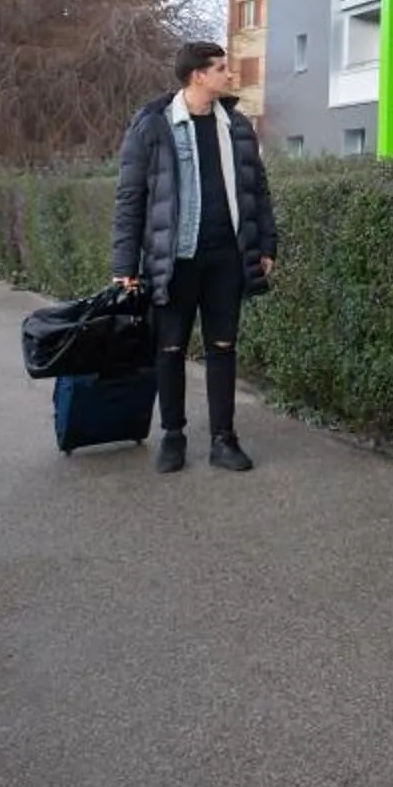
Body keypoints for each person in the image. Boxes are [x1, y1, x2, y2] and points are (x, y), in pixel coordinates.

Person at [113, 41, 279, 473]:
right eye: (221, 68)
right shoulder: (153, 126)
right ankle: (173, 436)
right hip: (175, 260)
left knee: (223, 347)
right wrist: (124, 268)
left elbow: (257, 192)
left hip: (226, 258)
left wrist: (267, 246)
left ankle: (224, 440)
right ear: (198, 76)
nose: (230, 75)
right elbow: (131, 198)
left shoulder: (237, 126)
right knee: (169, 348)